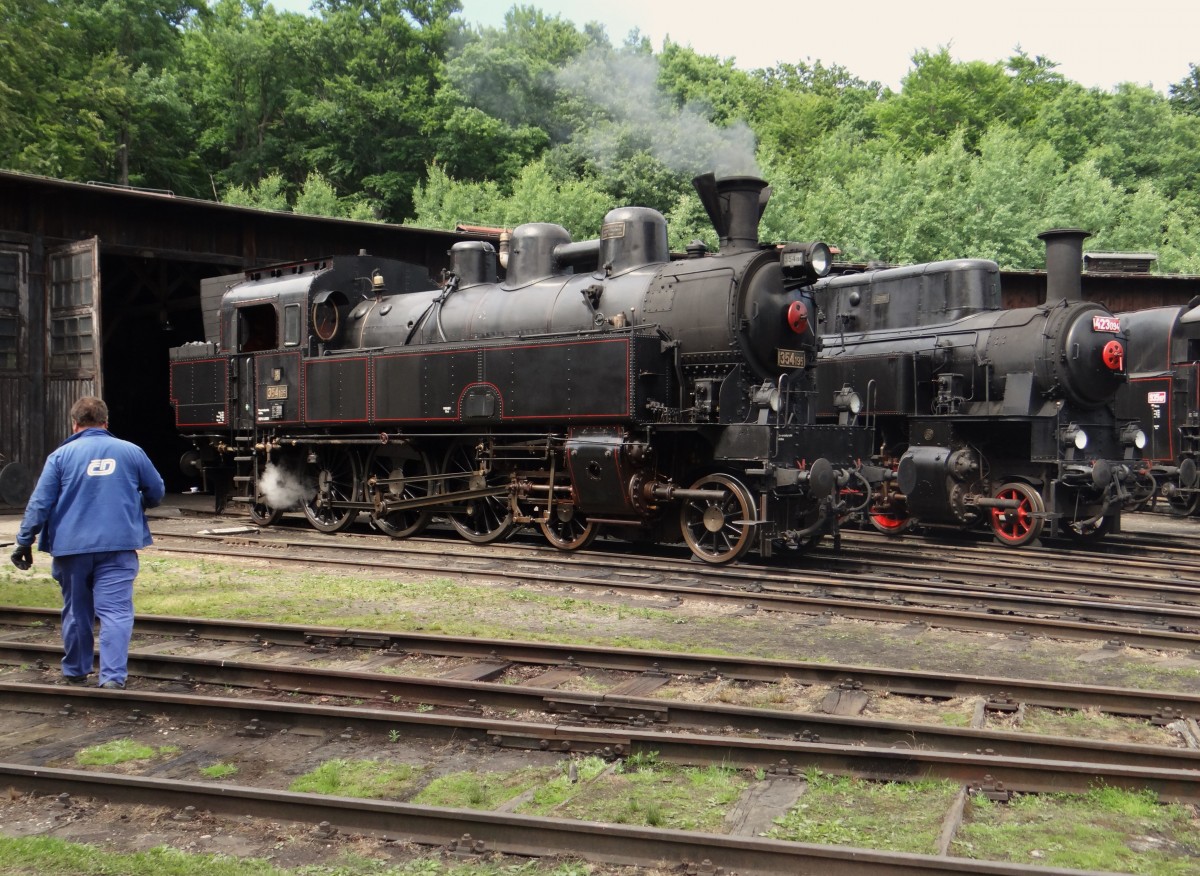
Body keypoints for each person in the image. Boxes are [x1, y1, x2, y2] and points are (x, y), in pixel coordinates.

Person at [9, 396, 165, 689]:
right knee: (116, 613)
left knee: (77, 612)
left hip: (71, 549)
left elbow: (40, 504)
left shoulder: (60, 457)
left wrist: (23, 542)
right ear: (106, 422)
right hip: (118, 546)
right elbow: (156, 491)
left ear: (75, 424)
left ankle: (76, 672)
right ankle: (112, 678)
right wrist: (138, 502)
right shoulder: (131, 451)